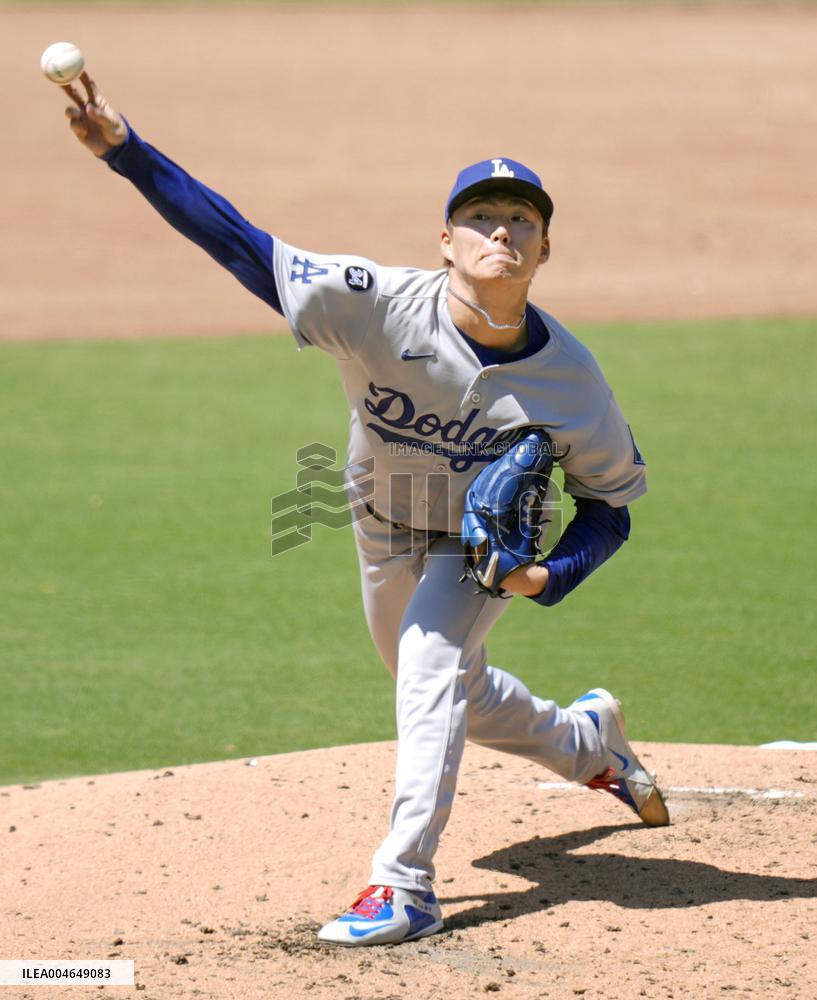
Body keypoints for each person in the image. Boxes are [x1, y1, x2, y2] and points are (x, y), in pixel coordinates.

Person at [59, 73, 669, 948]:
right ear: (445, 240)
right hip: (382, 519)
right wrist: (126, 153)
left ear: (544, 252)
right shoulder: (374, 303)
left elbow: (608, 507)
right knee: (450, 688)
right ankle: (587, 742)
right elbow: (236, 242)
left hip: (476, 546)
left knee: (427, 665)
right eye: (481, 218)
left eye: (522, 222)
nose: (501, 232)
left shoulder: (571, 384)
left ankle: (404, 886)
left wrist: (543, 574)